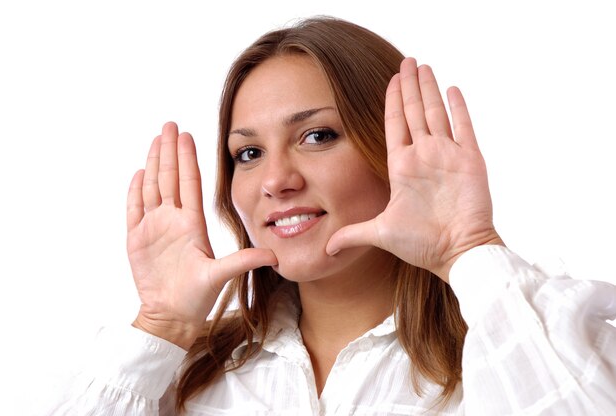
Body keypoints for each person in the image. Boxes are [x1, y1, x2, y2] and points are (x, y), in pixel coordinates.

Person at [43, 16, 616, 415]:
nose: (276, 180)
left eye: (317, 136)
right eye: (249, 153)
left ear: (392, 148)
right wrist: (162, 326)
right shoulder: (184, 380)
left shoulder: (523, 338)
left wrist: (468, 247)